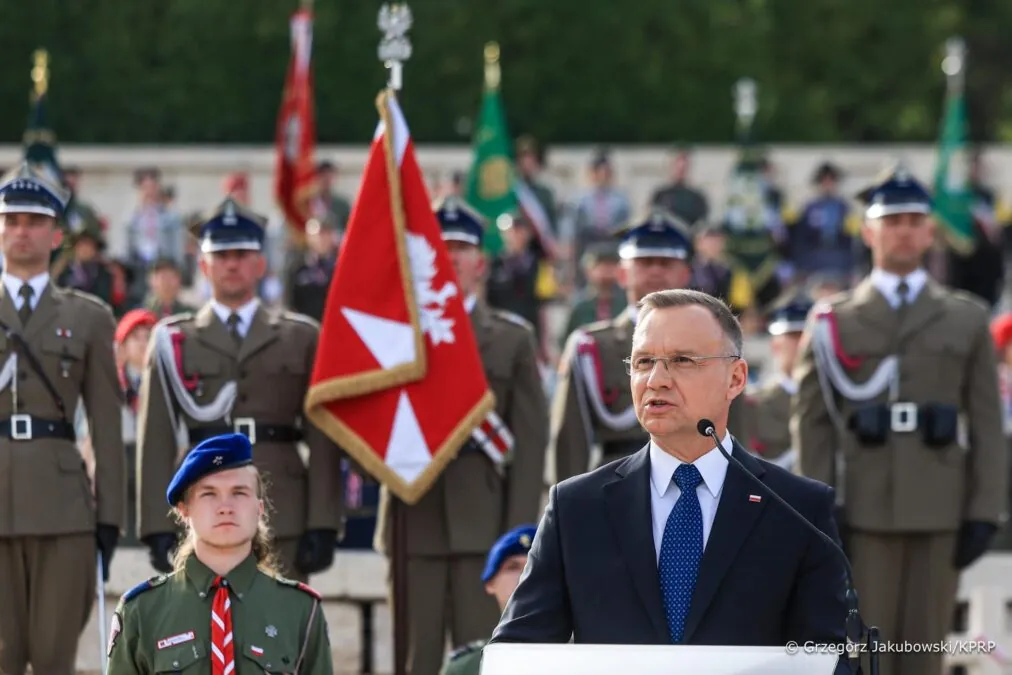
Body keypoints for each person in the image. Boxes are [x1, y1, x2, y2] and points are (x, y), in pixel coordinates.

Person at [490, 289, 848, 670]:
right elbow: (515, 655)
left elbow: (827, 662)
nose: (656, 379)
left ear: (736, 378)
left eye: (682, 360)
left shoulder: (798, 511)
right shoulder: (576, 508)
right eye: (644, 362)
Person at [791, 162, 1008, 675]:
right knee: (865, 653)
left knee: (924, 653)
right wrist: (819, 508)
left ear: (931, 232)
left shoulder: (967, 317)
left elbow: (986, 422)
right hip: (861, 510)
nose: (904, 232)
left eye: (914, 221)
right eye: (892, 221)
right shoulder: (833, 320)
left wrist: (983, 510)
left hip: (940, 507)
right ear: (868, 232)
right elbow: (812, 423)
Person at [373, 195, 548, 675]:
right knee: (416, 660)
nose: (449, 258)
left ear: (480, 262)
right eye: (439, 248)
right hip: (413, 516)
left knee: (484, 658)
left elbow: (529, 442)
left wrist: (517, 533)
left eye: (460, 248)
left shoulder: (511, 338)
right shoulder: (394, 335)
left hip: (485, 525)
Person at [136, 196, 344, 582]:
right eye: (221, 255)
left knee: (279, 618)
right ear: (203, 266)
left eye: (241, 255)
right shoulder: (175, 340)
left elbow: (322, 437)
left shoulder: (301, 337)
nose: (231, 264)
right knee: (207, 617)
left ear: (260, 264)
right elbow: (156, 438)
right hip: (203, 505)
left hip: (282, 508)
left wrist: (324, 520)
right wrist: (156, 525)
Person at [0, 162, 125, 675]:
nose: (21, 231)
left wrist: (110, 516)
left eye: (34, 222)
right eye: (11, 221)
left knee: (55, 658)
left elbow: (107, 425)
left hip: (63, 509)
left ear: (56, 236)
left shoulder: (88, 317)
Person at [107, 433, 333, 674]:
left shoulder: (301, 611)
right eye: (209, 494)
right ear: (184, 510)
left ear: (259, 508)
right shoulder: (141, 611)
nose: (225, 507)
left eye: (239, 492)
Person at [551, 209, 749, 483]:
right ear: (622, 274)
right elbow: (571, 441)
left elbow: (734, 430)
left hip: (700, 480)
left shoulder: (713, 340)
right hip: (616, 483)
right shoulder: (591, 346)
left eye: (666, 263)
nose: (656, 270)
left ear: (686, 274)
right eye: (645, 262)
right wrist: (572, 503)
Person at [440, 524, 537, 675]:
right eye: (512, 567)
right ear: (490, 583)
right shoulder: (465, 667)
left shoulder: (577, 656)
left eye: (536, 566)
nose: (526, 574)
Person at [740, 292, 814, 470]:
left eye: (809, 336)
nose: (804, 344)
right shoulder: (752, 406)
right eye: (794, 336)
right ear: (775, 345)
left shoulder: (837, 401)